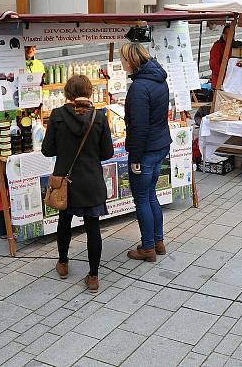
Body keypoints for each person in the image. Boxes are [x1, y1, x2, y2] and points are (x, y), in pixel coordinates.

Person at [41, 74, 114, 292]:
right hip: (91, 181)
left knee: (64, 222)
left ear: (67, 93)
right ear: (90, 92)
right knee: (93, 228)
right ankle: (93, 277)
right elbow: (107, 152)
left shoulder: (57, 116)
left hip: (66, 181)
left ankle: (63, 263)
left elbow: (47, 150)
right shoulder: (99, 116)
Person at [120, 43, 173, 262]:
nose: (121, 63)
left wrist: (136, 158)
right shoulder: (158, 79)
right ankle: (158, 241)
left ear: (131, 61)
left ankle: (148, 247)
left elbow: (139, 126)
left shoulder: (140, 87)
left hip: (147, 148)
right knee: (151, 195)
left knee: (142, 197)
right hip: (159, 143)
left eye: (123, 59)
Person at [209, 24, 230, 89]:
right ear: (223, 34)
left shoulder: (233, 46)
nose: (228, 36)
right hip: (219, 81)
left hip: (229, 80)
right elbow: (213, 64)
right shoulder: (217, 46)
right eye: (226, 33)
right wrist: (224, 74)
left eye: (230, 33)